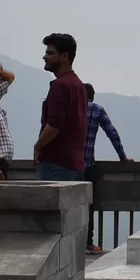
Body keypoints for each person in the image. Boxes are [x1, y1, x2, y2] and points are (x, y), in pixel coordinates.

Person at [83, 83, 132, 255]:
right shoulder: (97, 110)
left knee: (70, 205)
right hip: (88, 166)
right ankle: (88, 242)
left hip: (69, 167)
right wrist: (122, 156)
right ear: (92, 96)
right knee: (88, 206)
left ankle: (67, 241)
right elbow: (112, 134)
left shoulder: (71, 108)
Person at [34, 33, 87, 181]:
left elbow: (54, 124)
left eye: (50, 53)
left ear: (64, 56)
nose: (45, 57)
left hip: (55, 164)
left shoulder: (60, 85)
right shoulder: (78, 85)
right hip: (75, 163)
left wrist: (38, 146)